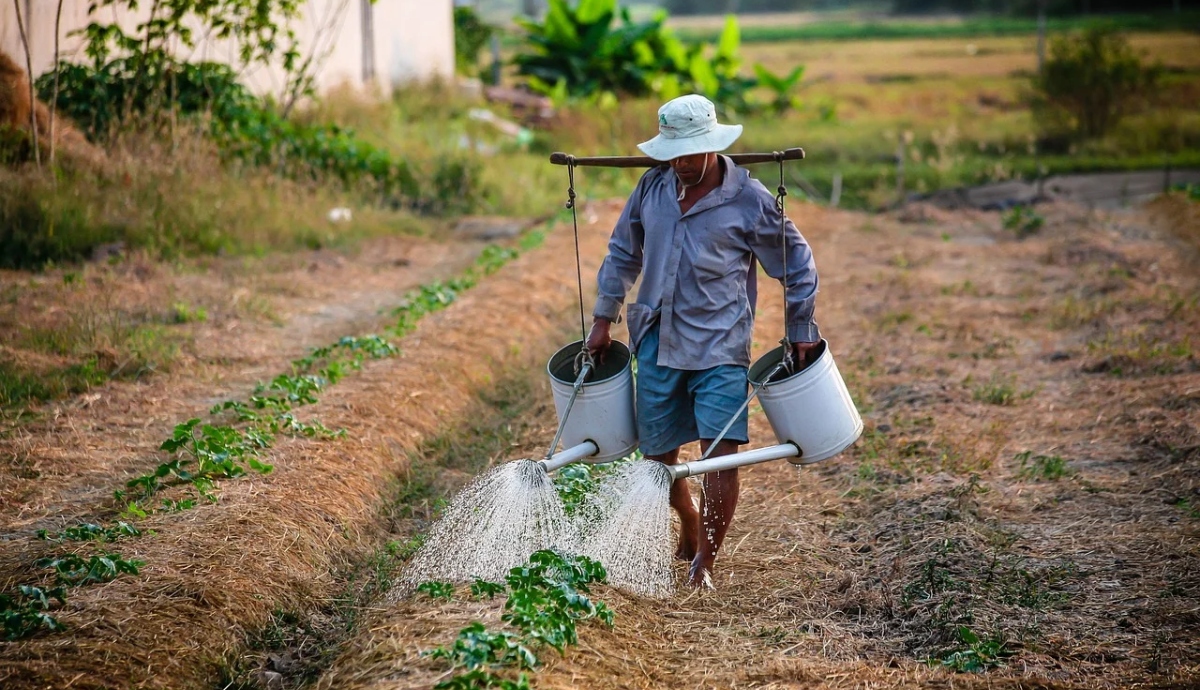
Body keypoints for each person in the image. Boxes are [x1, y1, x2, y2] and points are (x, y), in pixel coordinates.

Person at [585, 94, 821, 590]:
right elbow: (622, 253)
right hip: (656, 339)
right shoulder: (652, 187)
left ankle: (703, 566)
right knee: (658, 459)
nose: (682, 164)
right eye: (673, 154)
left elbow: (797, 264)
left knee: (721, 454)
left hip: (720, 345)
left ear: (713, 147)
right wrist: (603, 318)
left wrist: (800, 328)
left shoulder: (749, 200)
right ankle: (688, 518)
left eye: (690, 154)